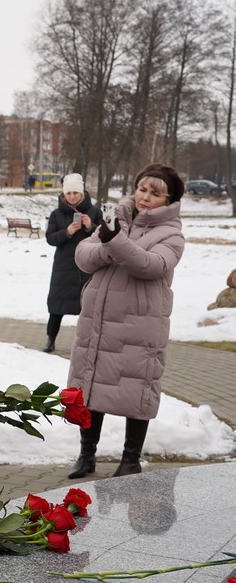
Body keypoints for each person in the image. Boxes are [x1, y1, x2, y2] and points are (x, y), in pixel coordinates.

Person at [67, 163, 185, 479]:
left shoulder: (172, 235)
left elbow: (150, 265)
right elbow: (83, 256)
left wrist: (113, 241)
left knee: (138, 388)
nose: (145, 197)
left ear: (169, 200)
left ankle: (131, 459)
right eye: (142, 189)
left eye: (154, 193)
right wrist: (110, 242)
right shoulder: (116, 220)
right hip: (98, 321)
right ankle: (86, 455)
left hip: (139, 325)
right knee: (91, 386)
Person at [43, 173, 99, 353]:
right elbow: (50, 238)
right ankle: (50, 339)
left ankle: (89, 342)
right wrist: (66, 232)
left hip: (88, 266)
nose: (72, 196)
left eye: (75, 192)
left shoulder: (95, 212)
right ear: (63, 194)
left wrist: (91, 227)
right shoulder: (56, 214)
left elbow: (106, 236)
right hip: (63, 267)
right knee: (56, 305)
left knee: (89, 307)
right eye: (68, 193)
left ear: (82, 193)